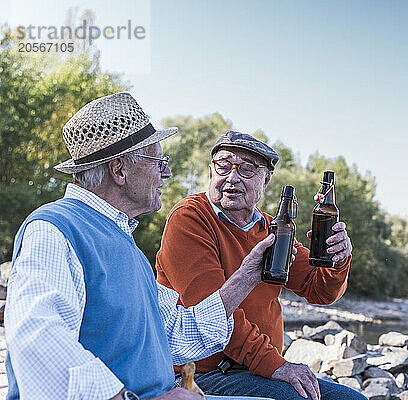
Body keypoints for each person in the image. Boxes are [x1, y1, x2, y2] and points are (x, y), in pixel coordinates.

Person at [4, 93, 284, 400]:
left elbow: (176, 332)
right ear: (120, 170)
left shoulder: (125, 245)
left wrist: (246, 276)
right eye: (158, 162)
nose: (167, 173)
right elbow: (38, 343)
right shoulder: (53, 229)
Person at [155, 131, 367, 400]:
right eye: (223, 165)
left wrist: (338, 259)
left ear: (265, 180)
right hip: (198, 374)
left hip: (254, 372)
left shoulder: (272, 228)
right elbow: (212, 313)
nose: (232, 177)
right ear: (211, 172)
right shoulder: (190, 218)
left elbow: (321, 291)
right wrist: (276, 365)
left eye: (247, 169)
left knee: (353, 399)